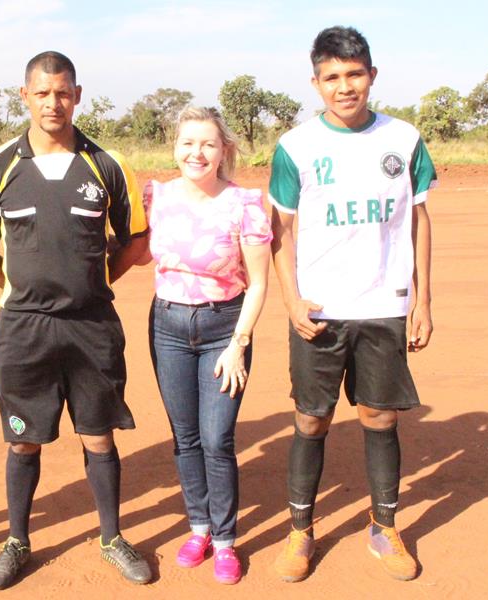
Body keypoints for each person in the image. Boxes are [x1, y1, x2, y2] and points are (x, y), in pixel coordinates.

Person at [0, 51, 152, 589]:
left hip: (92, 326)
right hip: (23, 331)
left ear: (78, 95)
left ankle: (112, 537)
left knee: (98, 436)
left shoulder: (106, 165)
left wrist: (97, 280)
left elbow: (136, 239)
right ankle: (17, 540)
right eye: (42, 93)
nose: (53, 102)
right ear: (24, 96)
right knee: (23, 440)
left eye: (63, 92)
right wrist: (21, 290)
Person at [269, 26, 436, 583]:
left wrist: (421, 299)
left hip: (383, 303)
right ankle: (300, 531)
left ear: (372, 75)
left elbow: (417, 218)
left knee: (379, 416)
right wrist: (291, 299)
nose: (345, 87)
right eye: (332, 77)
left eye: (355, 74)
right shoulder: (296, 147)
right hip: (318, 309)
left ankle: (383, 526)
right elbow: (281, 230)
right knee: (311, 420)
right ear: (316, 83)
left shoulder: (405, 139)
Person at [139, 106, 271, 584]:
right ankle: (198, 527)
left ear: (224, 151)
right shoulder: (155, 196)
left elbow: (258, 283)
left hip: (224, 329)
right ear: (175, 147)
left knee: (217, 440)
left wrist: (239, 344)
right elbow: (129, 252)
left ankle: (226, 539)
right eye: (188, 143)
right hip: (168, 327)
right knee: (186, 437)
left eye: (208, 144)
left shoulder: (245, 203)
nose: (197, 153)